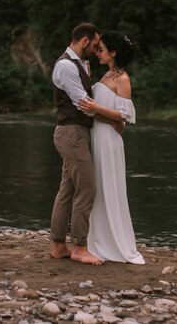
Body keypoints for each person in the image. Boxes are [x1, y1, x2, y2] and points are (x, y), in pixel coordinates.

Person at [79, 31, 145, 264]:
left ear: (114, 53)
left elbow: (124, 117)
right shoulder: (105, 75)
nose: (98, 52)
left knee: (109, 187)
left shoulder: (122, 79)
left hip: (109, 140)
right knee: (96, 187)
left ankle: (114, 243)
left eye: (102, 49)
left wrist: (95, 108)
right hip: (96, 136)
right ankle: (96, 241)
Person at [50, 22, 104, 265]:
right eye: (93, 45)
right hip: (71, 133)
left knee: (68, 190)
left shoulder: (82, 64)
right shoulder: (65, 66)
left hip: (76, 133)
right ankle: (80, 247)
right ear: (84, 41)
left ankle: (58, 245)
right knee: (87, 188)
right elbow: (83, 102)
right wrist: (115, 118)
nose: (95, 49)